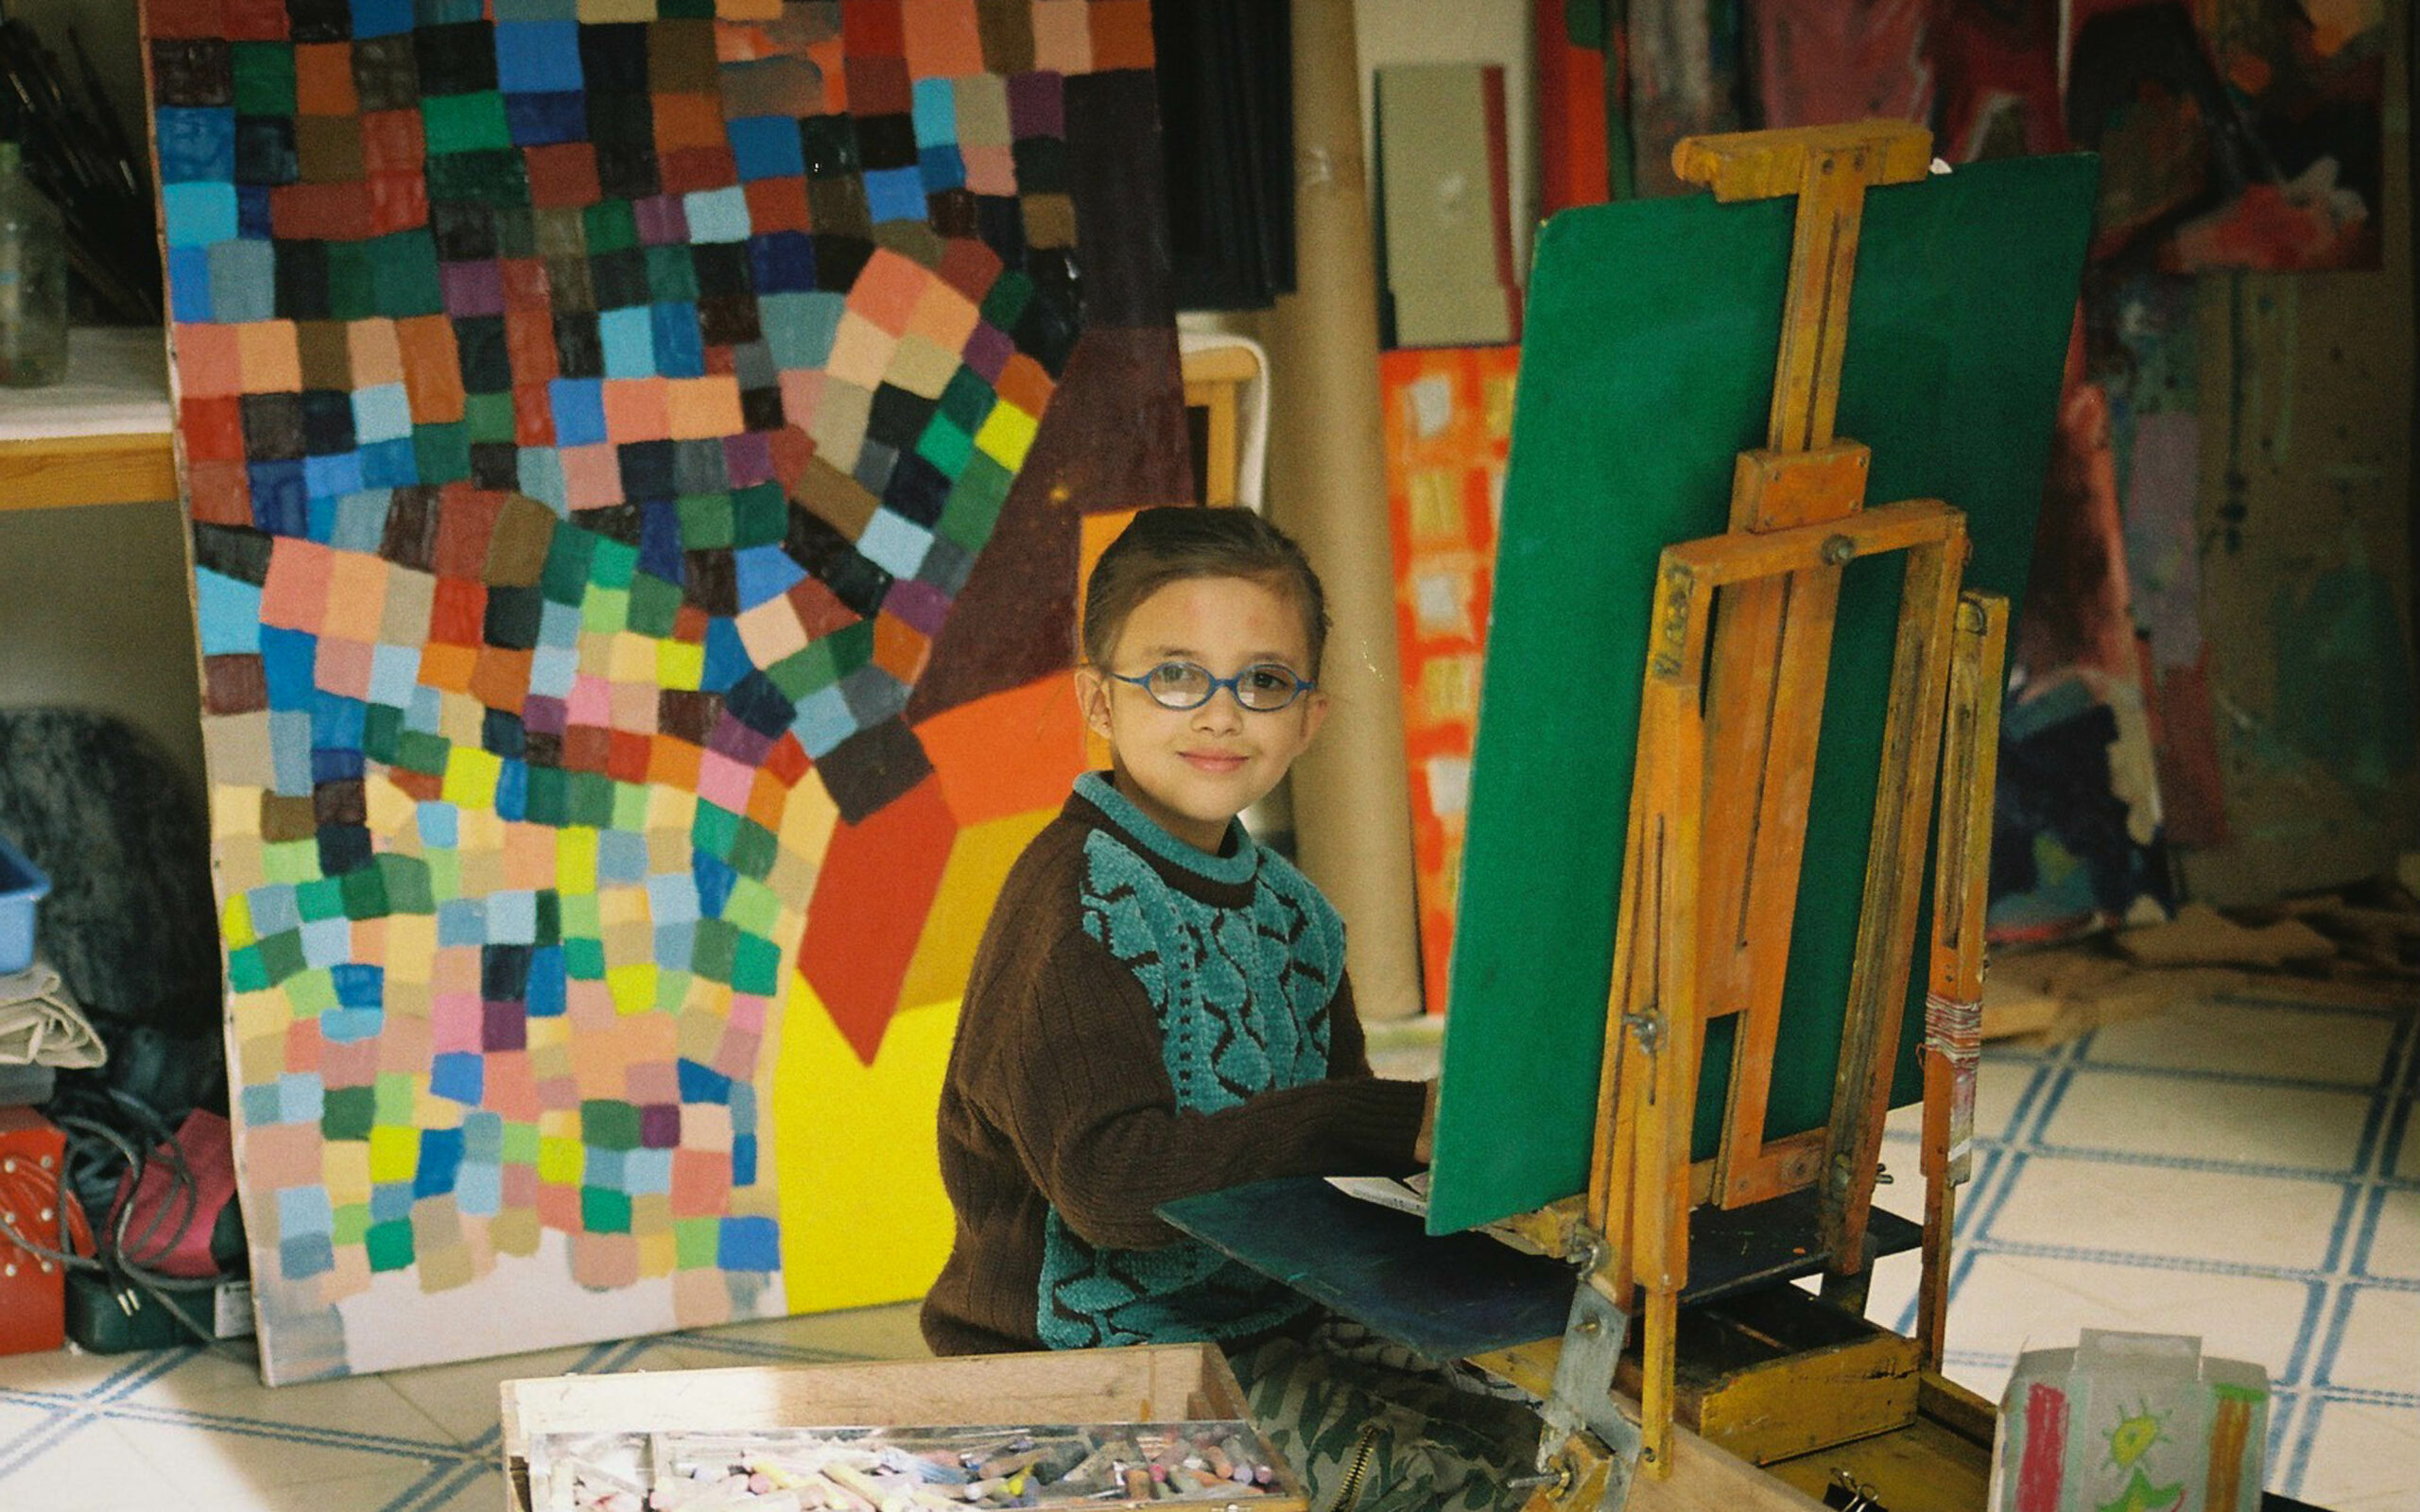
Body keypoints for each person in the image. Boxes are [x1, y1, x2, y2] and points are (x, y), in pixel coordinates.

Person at [922, 505, 1537, 1512]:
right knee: (1457, 1485)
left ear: (1309, 717)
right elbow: (1112, 1189)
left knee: (1542, 1431)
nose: (1220, 714)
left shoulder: (1299, 917)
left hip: (1262, 1322)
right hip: (1079, 1367)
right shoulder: (1076, 906)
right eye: (1175, 674)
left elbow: (1345, 1163)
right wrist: (1387, 1119)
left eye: (1262, 681)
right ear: (1099, 701)